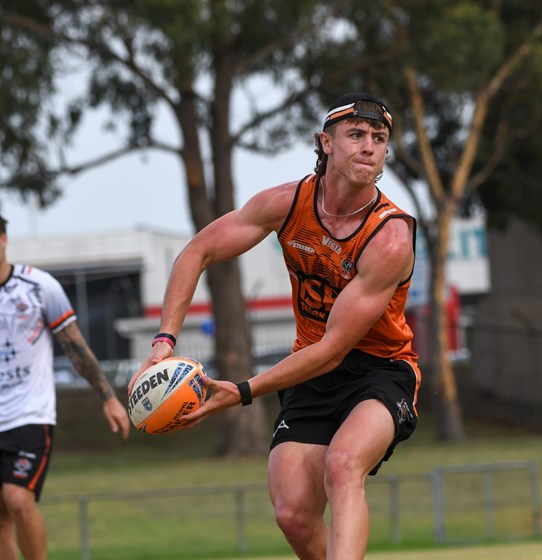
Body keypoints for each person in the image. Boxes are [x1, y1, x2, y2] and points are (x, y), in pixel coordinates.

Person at [129, 92, 420, 560]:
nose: (369, 146)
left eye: (379, 138)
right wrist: (164, 341)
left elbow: (334, 348)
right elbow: (196, 252)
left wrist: (243, 391)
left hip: (380, 371)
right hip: (311, 370)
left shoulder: (389, 236)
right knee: (292, 514)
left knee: (343, 466)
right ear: (325, 142)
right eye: (356, 135)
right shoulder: (288, 204)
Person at [0, 216, 130, 560]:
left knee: (16, 498)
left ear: (3, 240)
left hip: (29, 413)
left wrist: (107, 397)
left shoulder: (39, 286)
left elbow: (75, 347)